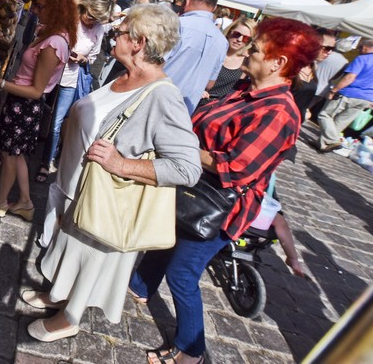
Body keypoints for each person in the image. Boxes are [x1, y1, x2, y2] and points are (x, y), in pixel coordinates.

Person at [130, 18, 321, 364]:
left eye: (258, 48)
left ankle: (191, 351)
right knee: (164, 237)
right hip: (195, 186)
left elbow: (235, 167)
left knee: (183, 274)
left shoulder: (279, 111)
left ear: (279, 63)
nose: (249, 50)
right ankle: (140, 286)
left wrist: (181, 147)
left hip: (220, 206)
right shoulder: (247, 89)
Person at [24, 4, 201, 341]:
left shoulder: (163, 96)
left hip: (104, 200)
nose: (114, 36)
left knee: (86, 258)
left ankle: (68, 318)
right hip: (75, 185)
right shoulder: (123, 75)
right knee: (66, 250)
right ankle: (56, 295)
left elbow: (187, 168)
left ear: (139, 42)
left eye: (121, 32)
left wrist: (122, 164)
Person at [0, 0, 78, 220]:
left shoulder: (55, 43)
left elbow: (36, 91)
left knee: (9, 155)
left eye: (40, 7)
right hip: (21, 104)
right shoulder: (53, 34)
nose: (34, 10)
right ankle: (25, 202)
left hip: (24, 105)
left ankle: (0, 202)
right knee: (18, 154)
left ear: (56, 8)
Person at [35, 0, 114, 183]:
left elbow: (93, 57)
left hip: (70, 78)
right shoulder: (69, 16)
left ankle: (46, 162)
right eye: (90, 15)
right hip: (48, 71)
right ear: (85, 6)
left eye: (97, 19)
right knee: (35, 110)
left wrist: (83, 58)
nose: (91, 20)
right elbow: (44, 32)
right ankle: (18, 148)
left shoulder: (98, 30)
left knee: (57, 123)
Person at [163, 0, 229, 113]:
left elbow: (151, 63)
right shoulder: (222, 41)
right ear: (214, 7)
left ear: (186, 0)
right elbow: (210, 84)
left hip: (155, 99)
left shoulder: (176, 24)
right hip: (184, 113)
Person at [318, 38, 373, 152]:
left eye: (359, 48)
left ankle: (332, 141)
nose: (358, 51)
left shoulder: (362, 59)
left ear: (364, 47)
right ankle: (323, 145)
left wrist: (334, 90)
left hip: (350, 93)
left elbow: (350, 77)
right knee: (341, 122)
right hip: (367, 98)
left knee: (324, 115)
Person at [197, 17, 256, 108]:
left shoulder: (246, 63)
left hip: (220, 110)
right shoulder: (213, 52)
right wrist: (198, 90)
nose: (239, 39)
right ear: (229, 32)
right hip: (197, 102)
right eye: (237, 34)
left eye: (245, 38)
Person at [308, 30, 348, 120]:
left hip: (309, 80)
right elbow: (336, 77)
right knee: (306, 109)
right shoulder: (345, 62)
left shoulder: (325, 52)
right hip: (323, 88)